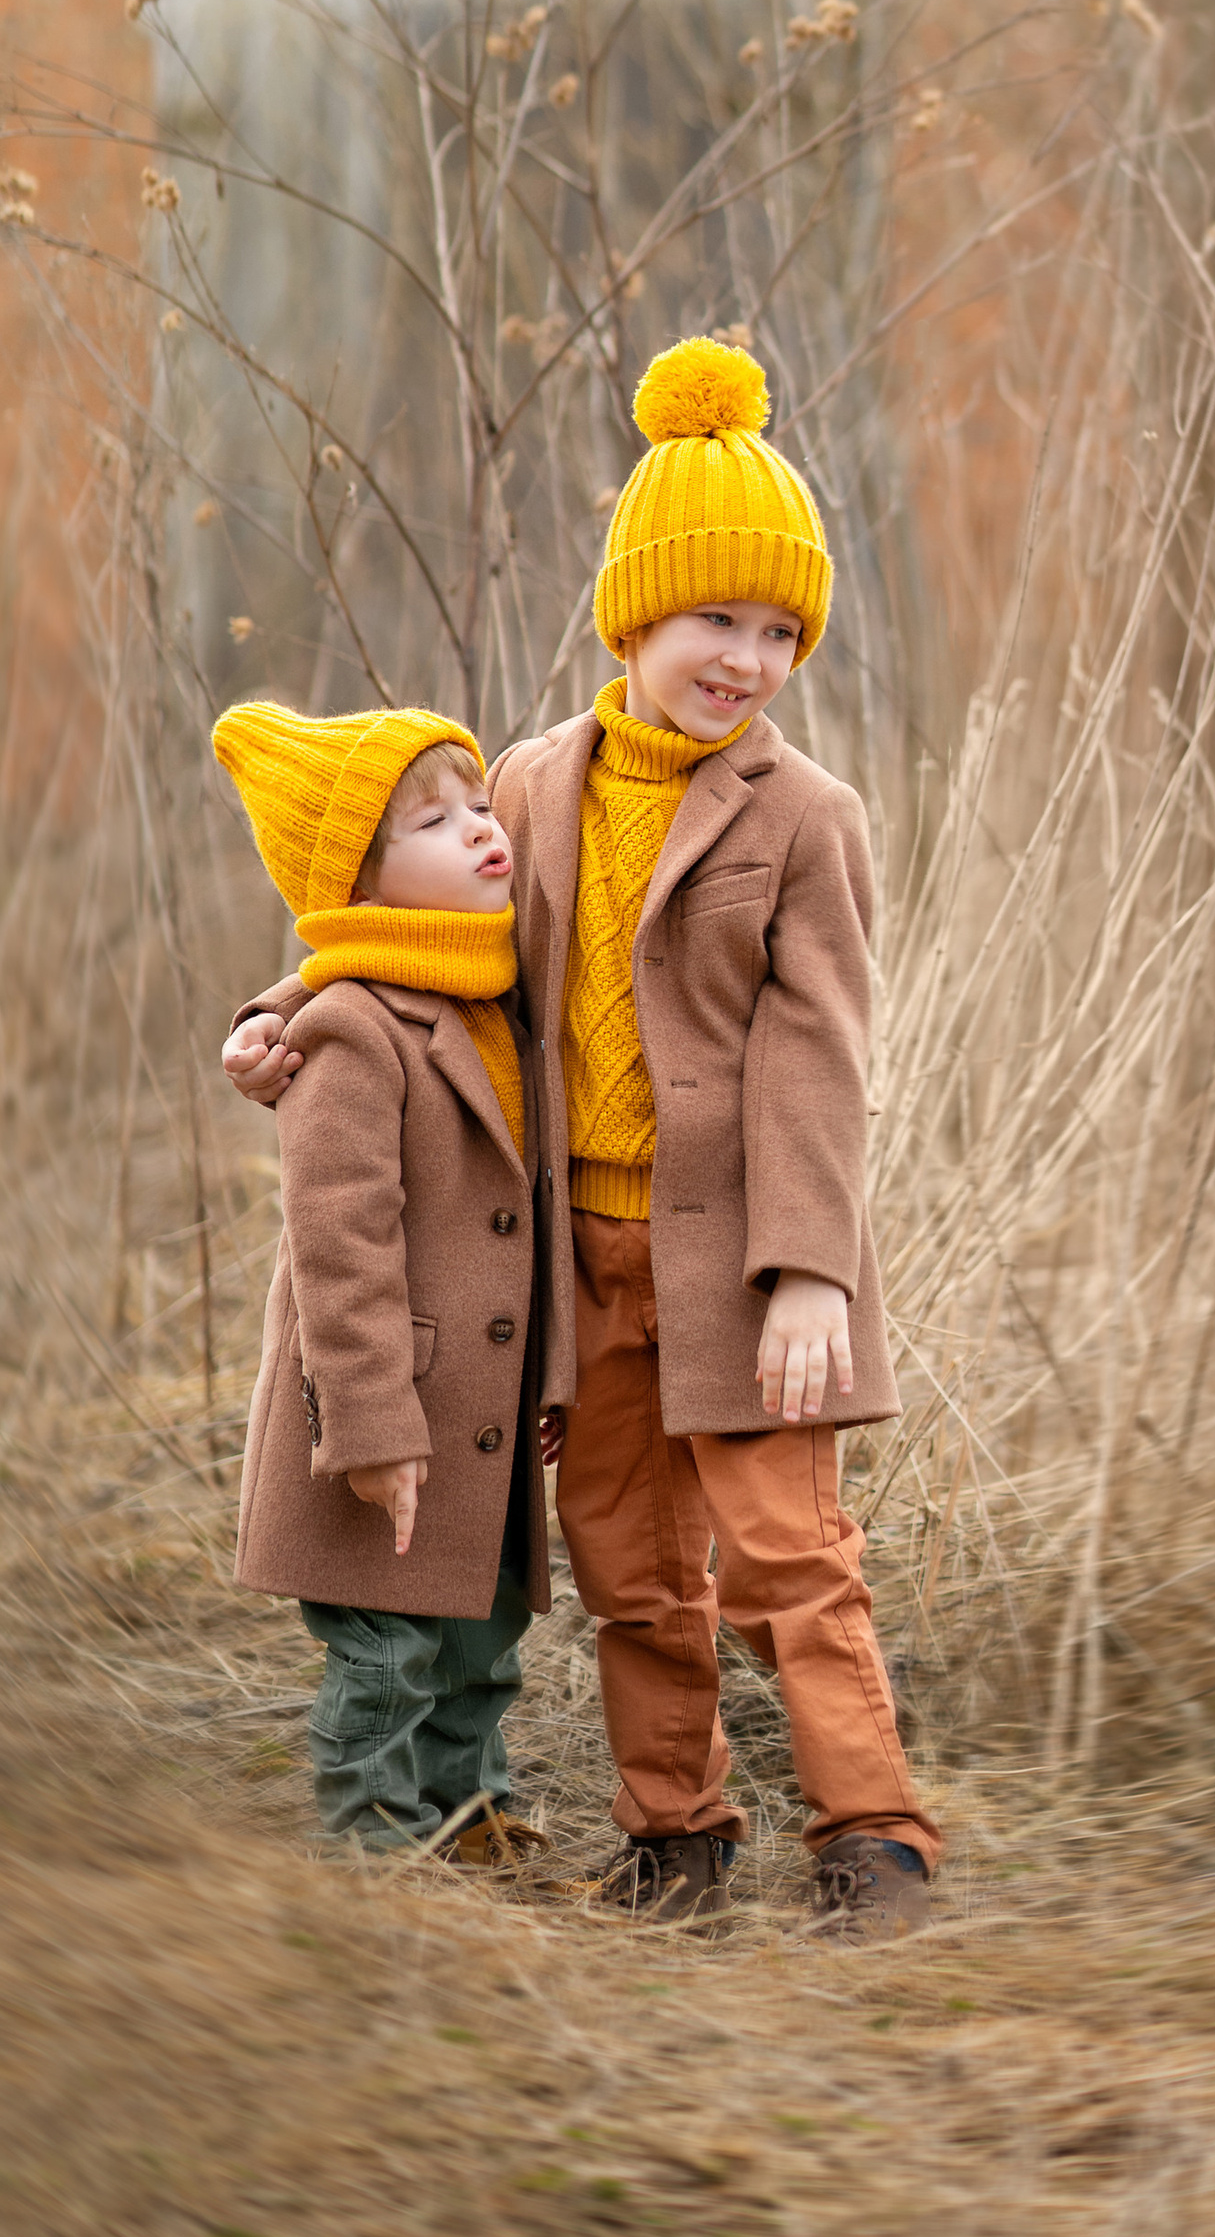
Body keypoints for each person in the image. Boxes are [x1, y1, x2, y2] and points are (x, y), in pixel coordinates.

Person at [224, 336, 942, 1938]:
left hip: (750, 1265)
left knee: (785, 1556)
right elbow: (428, 941)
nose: (746, 657)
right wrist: (287, 1010)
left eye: (778, 631)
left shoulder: (805, 819)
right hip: (580, 1267)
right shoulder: (540, 783)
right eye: (715, 619)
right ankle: (676, 1831)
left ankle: (875, 1834)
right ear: (634, 616)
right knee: (630, 1567)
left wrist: (813, 1268)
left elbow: (821, 1053)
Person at [209, 700, 553, 1860]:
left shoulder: (491, 996)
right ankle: (372, 1849)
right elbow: (337, 1249)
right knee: (389, 1650)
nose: (478, 829)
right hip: (387, 1412)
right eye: (432, 821)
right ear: (359, 880)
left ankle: (471, 1815)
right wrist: (366, 1424)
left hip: (479, 1418)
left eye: (476, 805)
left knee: (478, 1640)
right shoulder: (353, 1030)